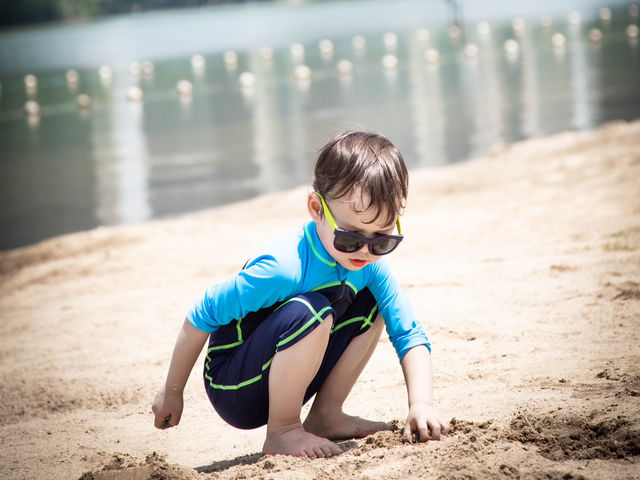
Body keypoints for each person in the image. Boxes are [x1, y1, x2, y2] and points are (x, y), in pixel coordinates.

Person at [152, 131, 449, 458]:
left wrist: (421, 404)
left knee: (374, 304)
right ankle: (283, 431)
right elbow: (202, 313)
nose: (365, 251)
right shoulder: (283, 268)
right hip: (235, 386)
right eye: (350, 238)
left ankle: (326, 415)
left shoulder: (369, 265)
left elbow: (408, 332)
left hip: (291, 373)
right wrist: (173, 391)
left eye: (382, 241)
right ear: (316, 209)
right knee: (314, 310)